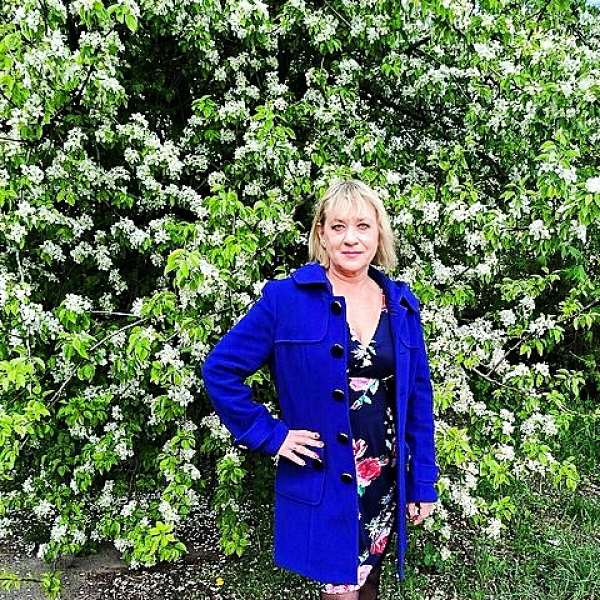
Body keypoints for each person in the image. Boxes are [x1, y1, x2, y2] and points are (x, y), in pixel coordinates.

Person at [201, 179, 439, 599]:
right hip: (326, 475)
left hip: (384, 476)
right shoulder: (286, 300)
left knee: (368, 582)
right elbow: (220, 370)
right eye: (338, 226)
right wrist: (272, 435)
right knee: (341, 589)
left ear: (379, 235)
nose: (351, 238)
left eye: (363, 226)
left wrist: (421, 481)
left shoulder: (400, 304)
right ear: (321, 234)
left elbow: (418, 398)